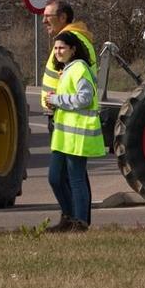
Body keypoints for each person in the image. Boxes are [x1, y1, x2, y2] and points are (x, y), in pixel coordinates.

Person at [45, 29, 104, 231]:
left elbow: (84, 98)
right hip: (64, 137)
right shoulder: (68, 69)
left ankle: (79, 222)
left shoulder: (79, 68)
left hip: (77, 135)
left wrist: (56, 100)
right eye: (56, 48)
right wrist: (55, 104)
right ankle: (69, 218)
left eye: (62, 48)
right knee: (55, 177)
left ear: (73, 50)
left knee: (76, 179)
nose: (58, 51)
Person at [39, 0, 98, 104]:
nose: (44, 20)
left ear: (62, 17)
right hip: (63, 108)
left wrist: (54, 100)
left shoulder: (71, 41)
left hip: (69, 112)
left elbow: (78, 82)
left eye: (48, 16)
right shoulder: (70, 39)